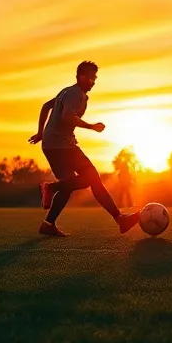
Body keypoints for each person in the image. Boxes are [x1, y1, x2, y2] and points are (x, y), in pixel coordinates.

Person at [29, 61, 140, 237]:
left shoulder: (65, 91)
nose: (93, 81)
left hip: (51, 145)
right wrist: (91, 126)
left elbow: (45, 106)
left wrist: (41, 132)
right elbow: (67, 117)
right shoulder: (76, 93)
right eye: (90, 78)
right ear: (81, 77)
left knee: (68, 186)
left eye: (94, 78)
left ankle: (48, 224)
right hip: (62, 145)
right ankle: (119, 218)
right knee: (93, 178)